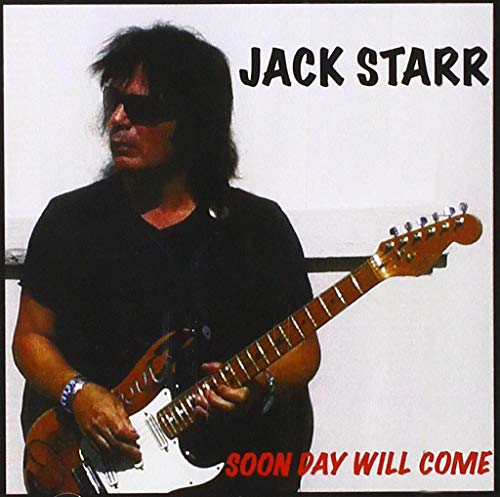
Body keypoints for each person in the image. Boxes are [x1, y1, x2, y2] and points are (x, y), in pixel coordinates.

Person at [12, 22, 320, 494]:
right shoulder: (70, 221)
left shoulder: (257, 227)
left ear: (194, 122)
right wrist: (79, 393)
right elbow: (31, 337)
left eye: (143, 109)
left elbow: (303, 347)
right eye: (113, 101)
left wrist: (261, 385)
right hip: (95, 475)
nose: (118, 120)